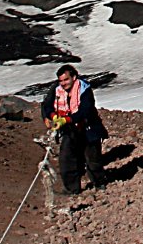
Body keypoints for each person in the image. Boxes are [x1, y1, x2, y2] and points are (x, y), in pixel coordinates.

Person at [40, 64, 108, 194]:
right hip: (69, 129)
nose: (63, 83)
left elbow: (86, 110)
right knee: (66, 158)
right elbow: (47, 106)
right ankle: (72, 189)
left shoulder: (84, 89)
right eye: (61, 80)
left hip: (88, 127)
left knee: (92, 158)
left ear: (74, 77)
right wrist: (54, 117)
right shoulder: (56, 89)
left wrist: (66, 119)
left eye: (66, 80)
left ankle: (99, 183)